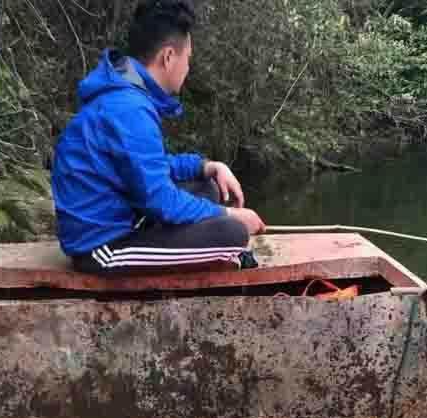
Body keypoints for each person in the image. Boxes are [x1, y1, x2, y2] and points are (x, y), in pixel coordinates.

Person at [51, 0, 266, 274]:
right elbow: (160, 200)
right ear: (168, 57)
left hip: (124, 217)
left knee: (206, 186)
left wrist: (208, 166)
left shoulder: (128, 95)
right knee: (232, 234)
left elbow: (152, 167)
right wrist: (230, 214)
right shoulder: (129, 108)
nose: (188, 67)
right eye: (187, 59)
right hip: (100, 248)